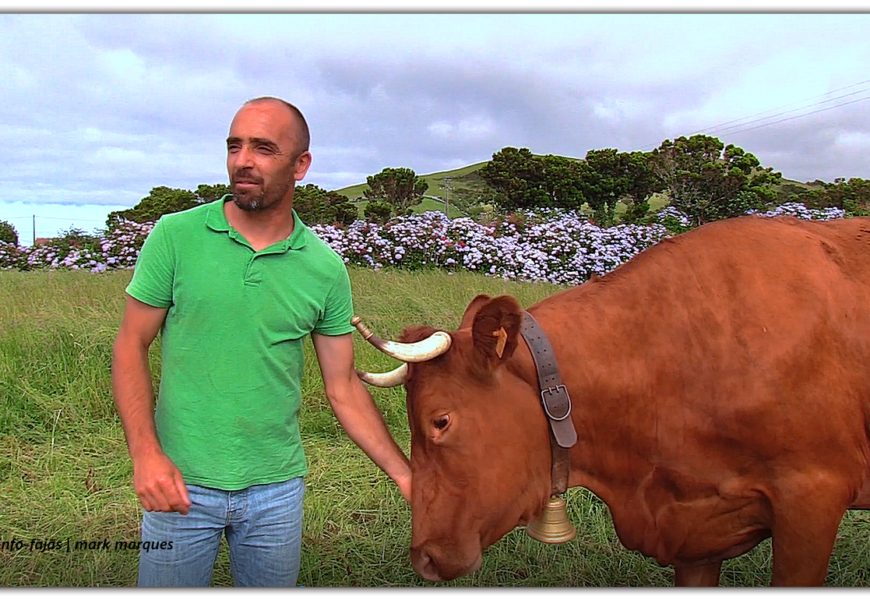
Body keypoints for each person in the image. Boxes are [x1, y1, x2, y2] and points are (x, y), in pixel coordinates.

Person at [111, 96, 412, 587]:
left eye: (264, 148)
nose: (243, 161)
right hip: (179, 482)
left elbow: (342, 387)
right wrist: (146, 455)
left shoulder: (323, 268)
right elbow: (130, 345)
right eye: (235, 146)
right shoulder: (176, 236)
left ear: (301, 165)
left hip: (276, 491)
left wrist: (404, 474)